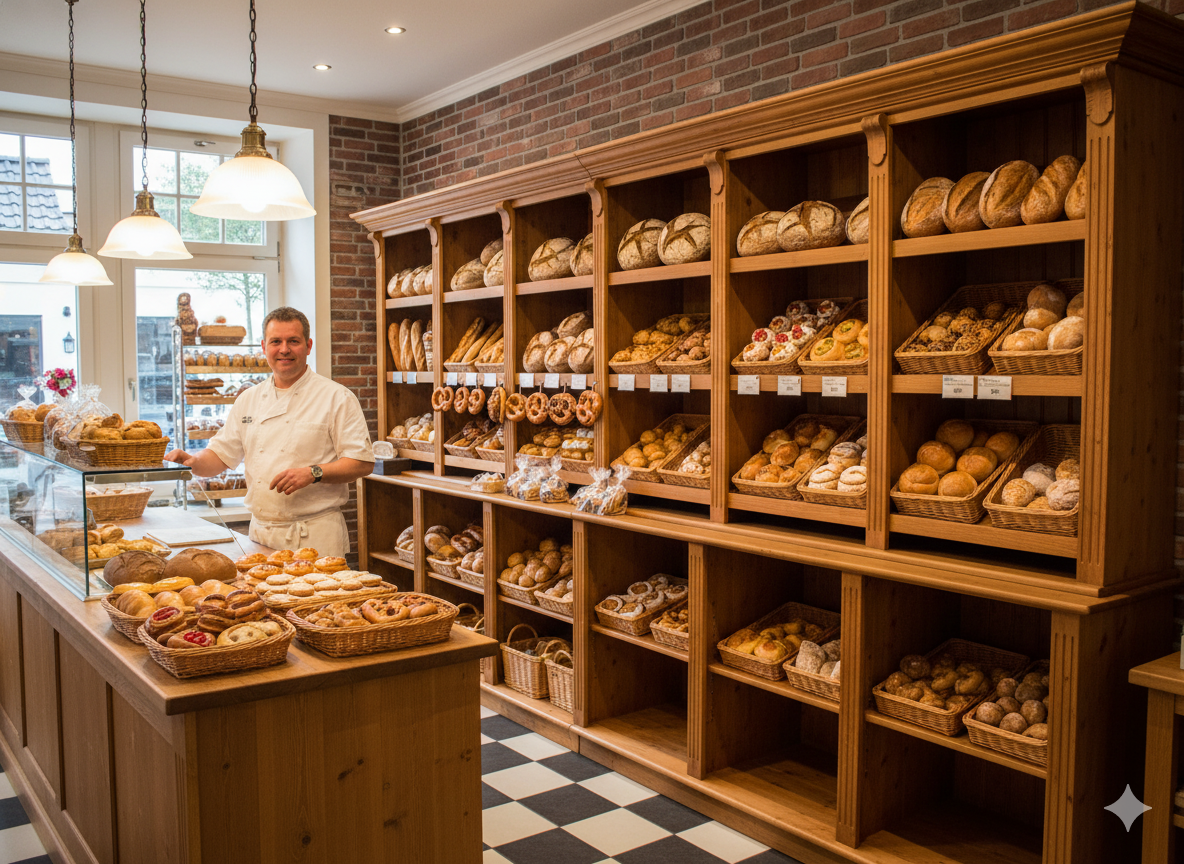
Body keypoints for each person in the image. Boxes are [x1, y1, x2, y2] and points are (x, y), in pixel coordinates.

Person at [164, 306, 374, 557]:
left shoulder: (336, 397)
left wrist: (313, 473)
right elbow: (220, 456)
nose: (284, 349)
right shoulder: (248, 399)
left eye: (293, 341)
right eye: (276, 341)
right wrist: (192, 462)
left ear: (308, 346)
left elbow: (361, 462)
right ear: (264, 347)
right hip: (261, 536)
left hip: (315, 536)